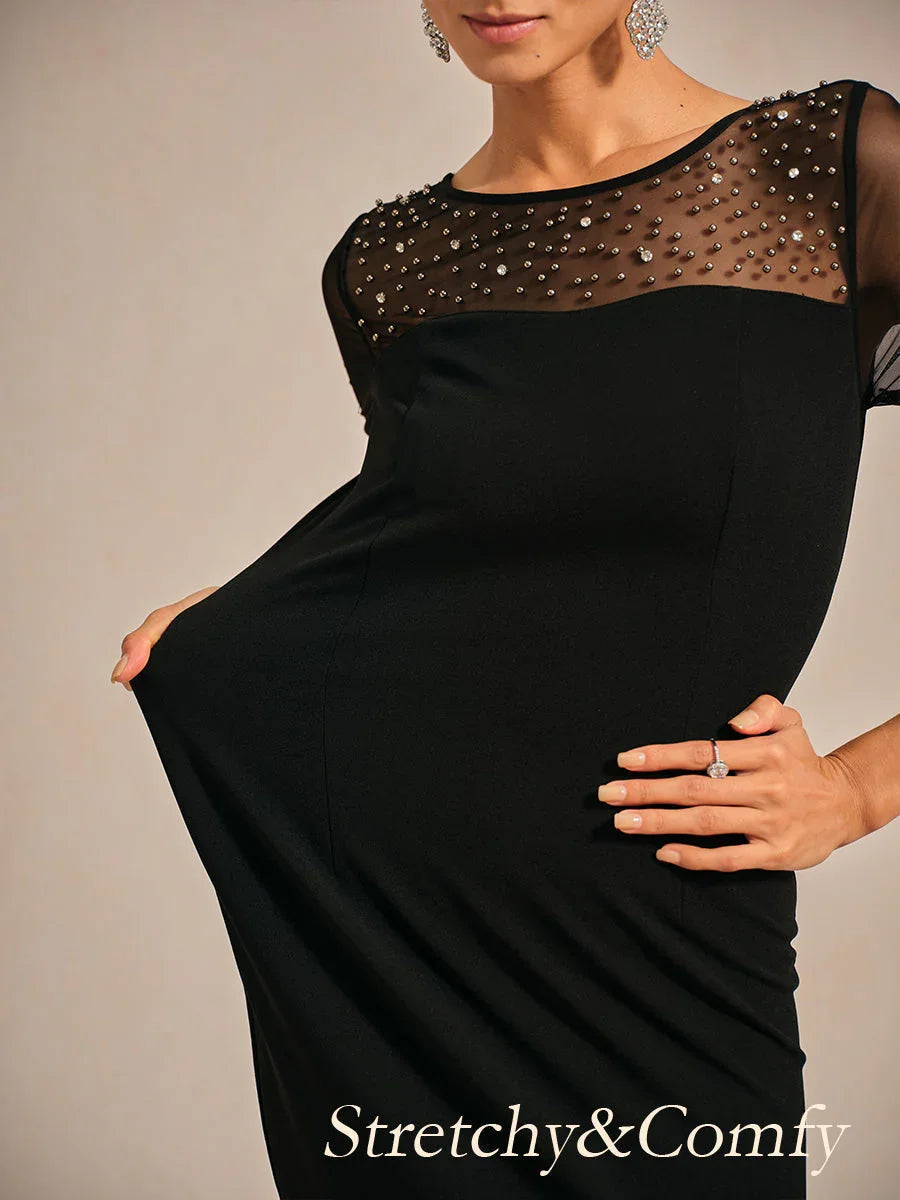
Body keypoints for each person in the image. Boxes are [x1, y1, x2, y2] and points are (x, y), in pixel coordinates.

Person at [111, 3, 900, 1197]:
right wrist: (258, 614)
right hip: (390, 960)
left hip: (662, 942)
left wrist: (856, 790)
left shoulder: (828, 167)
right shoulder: (388, 260)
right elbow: (467, 541)